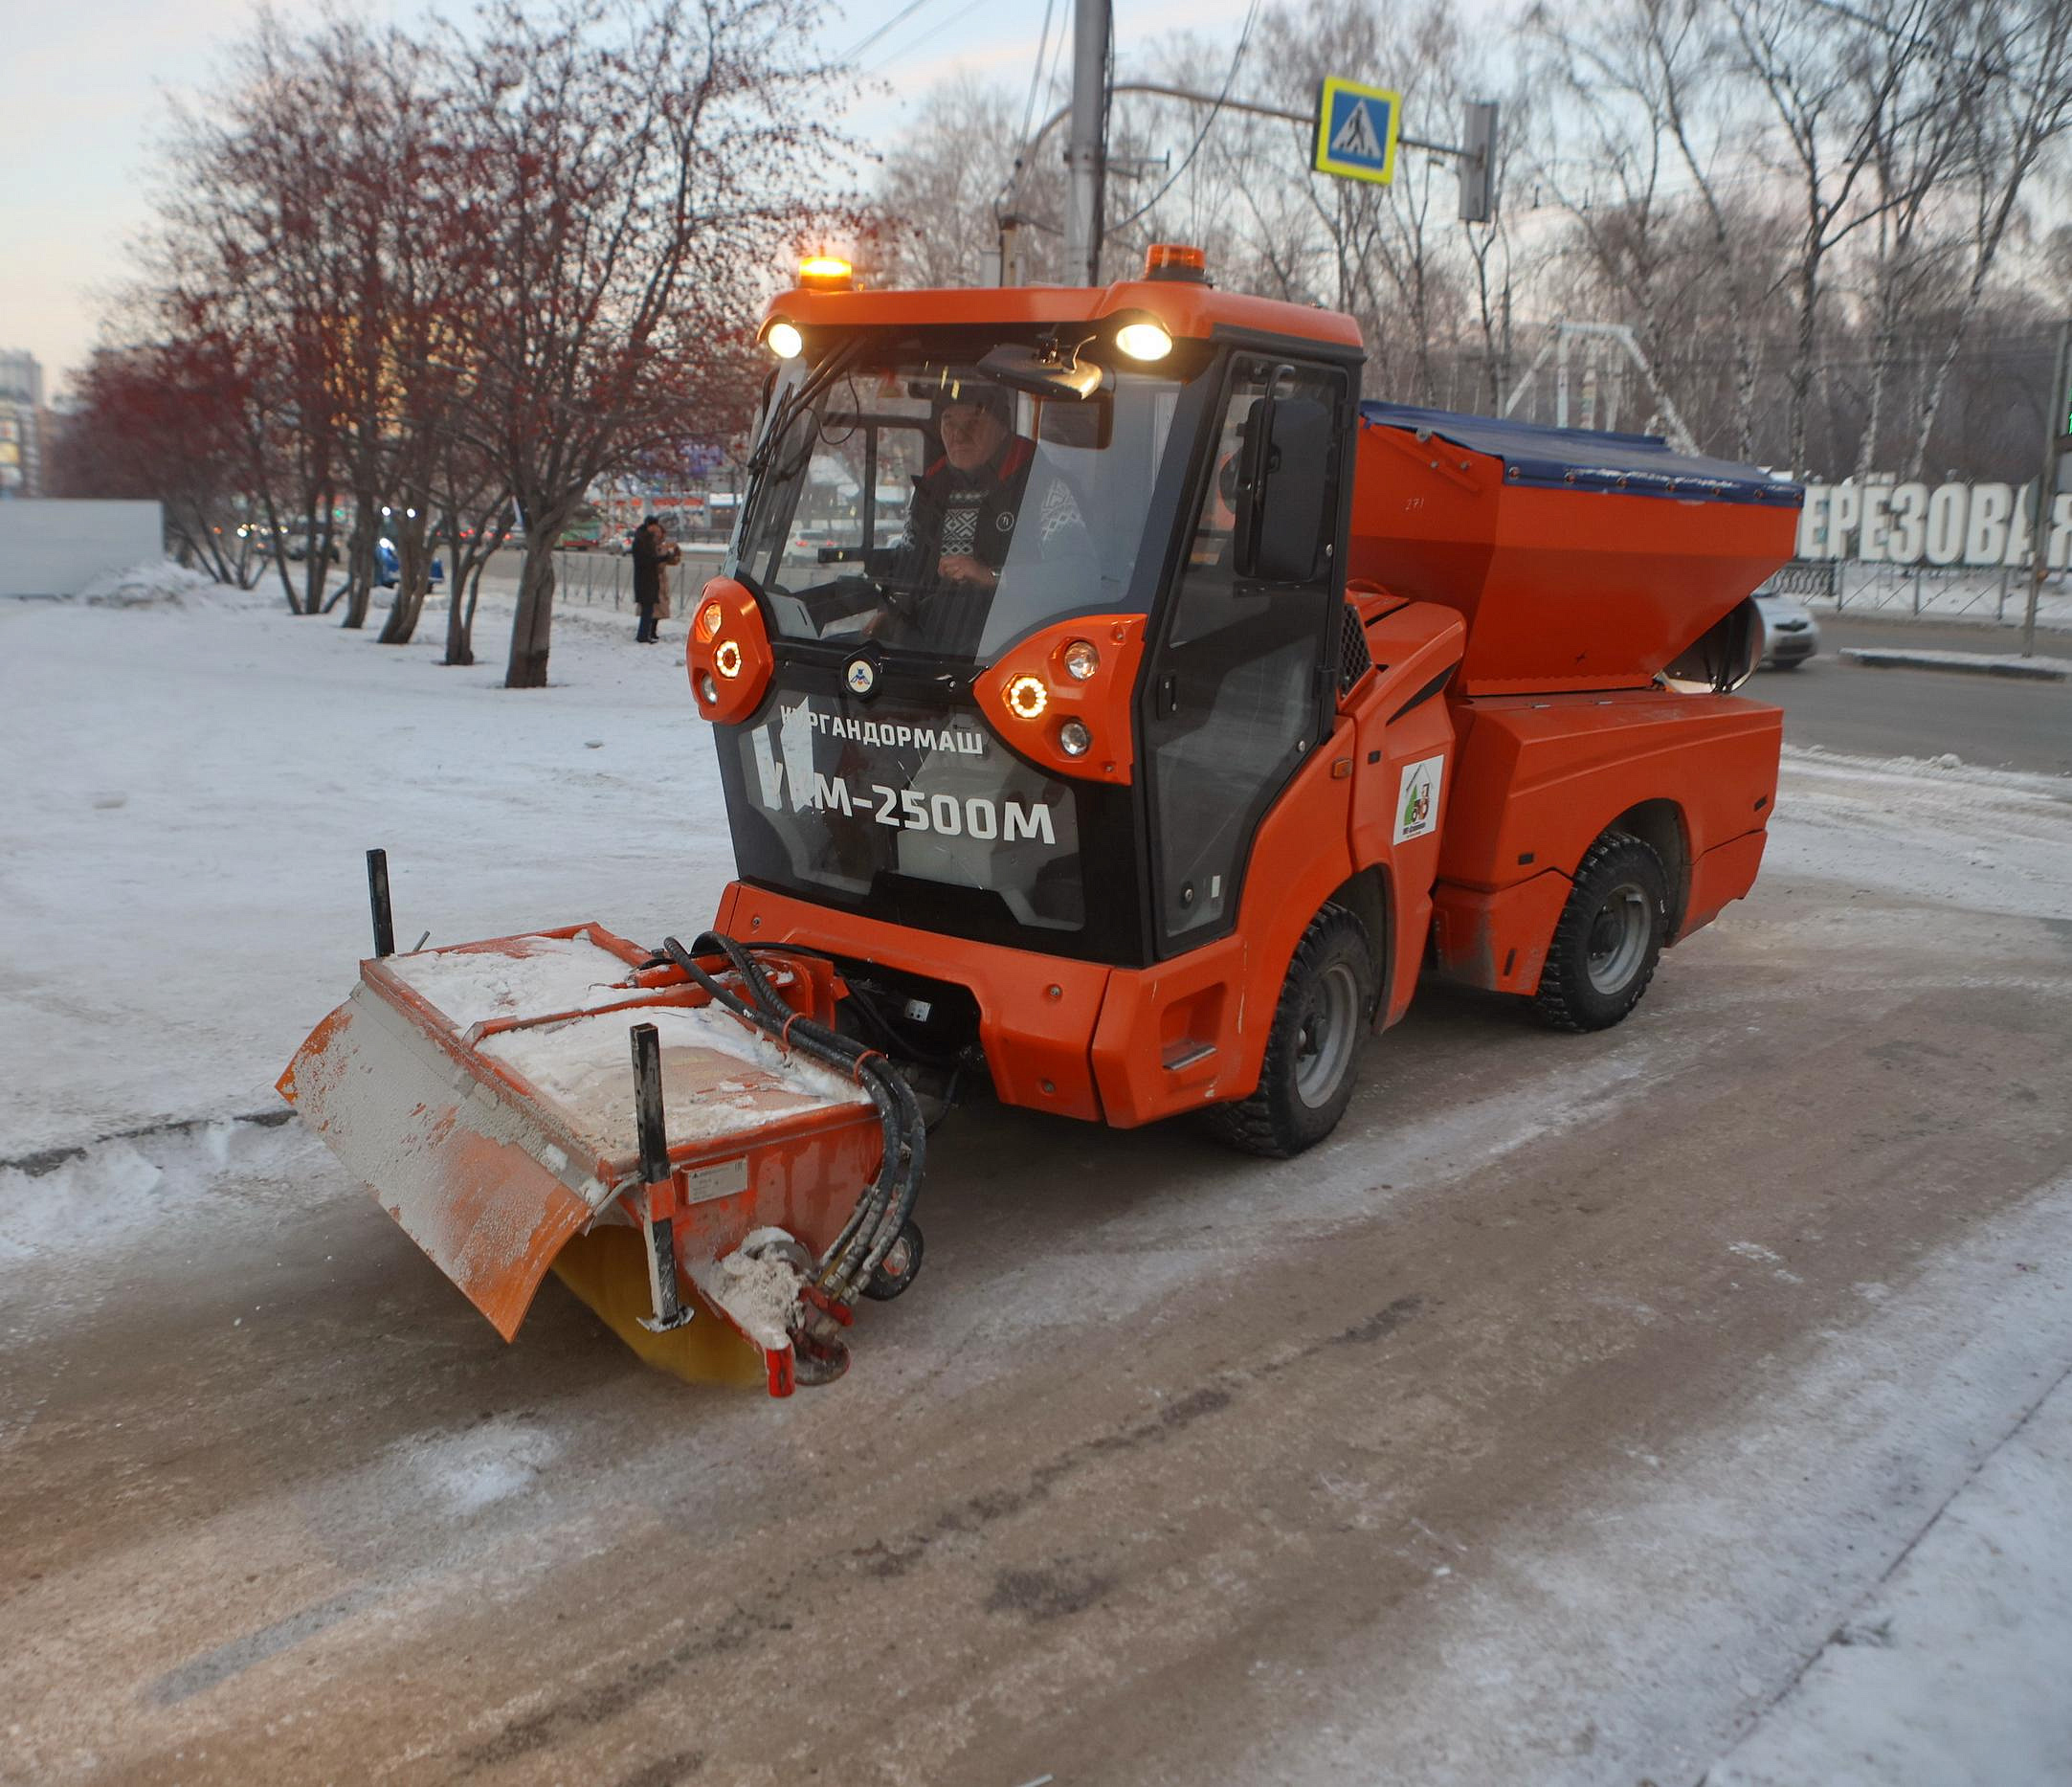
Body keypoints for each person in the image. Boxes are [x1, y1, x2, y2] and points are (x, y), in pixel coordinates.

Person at [882, 377, 1093, 651]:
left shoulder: (1043, 486)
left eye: (973, 422)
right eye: (948, 422)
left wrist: (991, 576)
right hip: (930, 649)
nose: (958, 435)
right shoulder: (929, 491)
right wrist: (891, 614)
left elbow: (1080, 575)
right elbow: (909, 566)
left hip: (1015, 651)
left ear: (1001, 428)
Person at [631, 517, 680, 644]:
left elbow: (666, 560)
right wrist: (663, 558)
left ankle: (646, 634)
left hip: (650, 580)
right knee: (649, 610)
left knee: (650, 609)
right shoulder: (643, 541)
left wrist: (673, 554)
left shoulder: (643, 539)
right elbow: (648, 560)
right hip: (647, 579)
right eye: (656, 528)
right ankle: (644, 635)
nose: (657, 531)